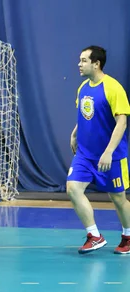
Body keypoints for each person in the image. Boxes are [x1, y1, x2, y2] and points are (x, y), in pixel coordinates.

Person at [67, 45, 130, 254]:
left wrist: (109, 152)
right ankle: (94, 235)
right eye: (80, 59)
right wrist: (75, 133)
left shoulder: (113, 88)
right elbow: (85, 115)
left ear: (97, 63)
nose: (79, 64)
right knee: (73, 188)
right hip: (85, 154)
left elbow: (121, 123)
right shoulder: (82, 87)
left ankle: (128, 237)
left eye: (84, 60)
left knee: (118, 199)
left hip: (111, 156)